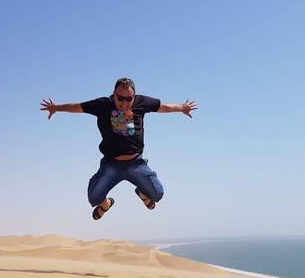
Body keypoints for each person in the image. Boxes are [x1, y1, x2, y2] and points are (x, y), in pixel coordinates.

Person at [40, 77, 197, 220]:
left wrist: (182, 108)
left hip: (136, 164)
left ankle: (143, 193)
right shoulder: (102, 105)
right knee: (94, 198)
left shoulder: (141, 102)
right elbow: (78, 107)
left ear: (134, 97)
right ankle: (106, 204)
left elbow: (162, 107)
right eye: (120, 98)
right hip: (111, 164)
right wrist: (56, 108)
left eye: (129, 99)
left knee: (157, 194)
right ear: (113, 95)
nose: (124, 103)